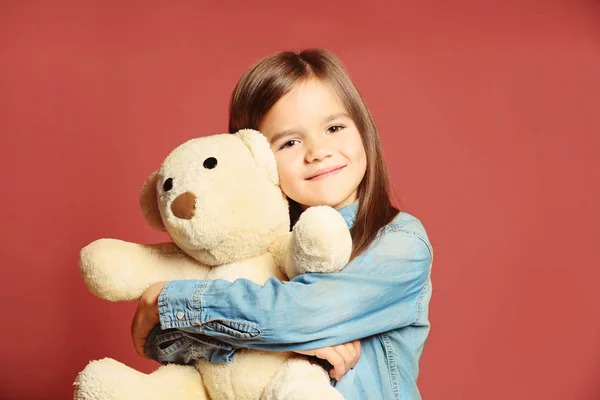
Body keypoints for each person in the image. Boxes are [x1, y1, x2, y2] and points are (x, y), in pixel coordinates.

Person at [131, 48, 433, 400]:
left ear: (363, 129)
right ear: (257, 158)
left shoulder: (400, 243)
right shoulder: (255, 250)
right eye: (290, 141)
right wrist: (285, 342)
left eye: (334, 127)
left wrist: (168, 302)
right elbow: (171, 351)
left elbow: (300, 311)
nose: (318, 151)